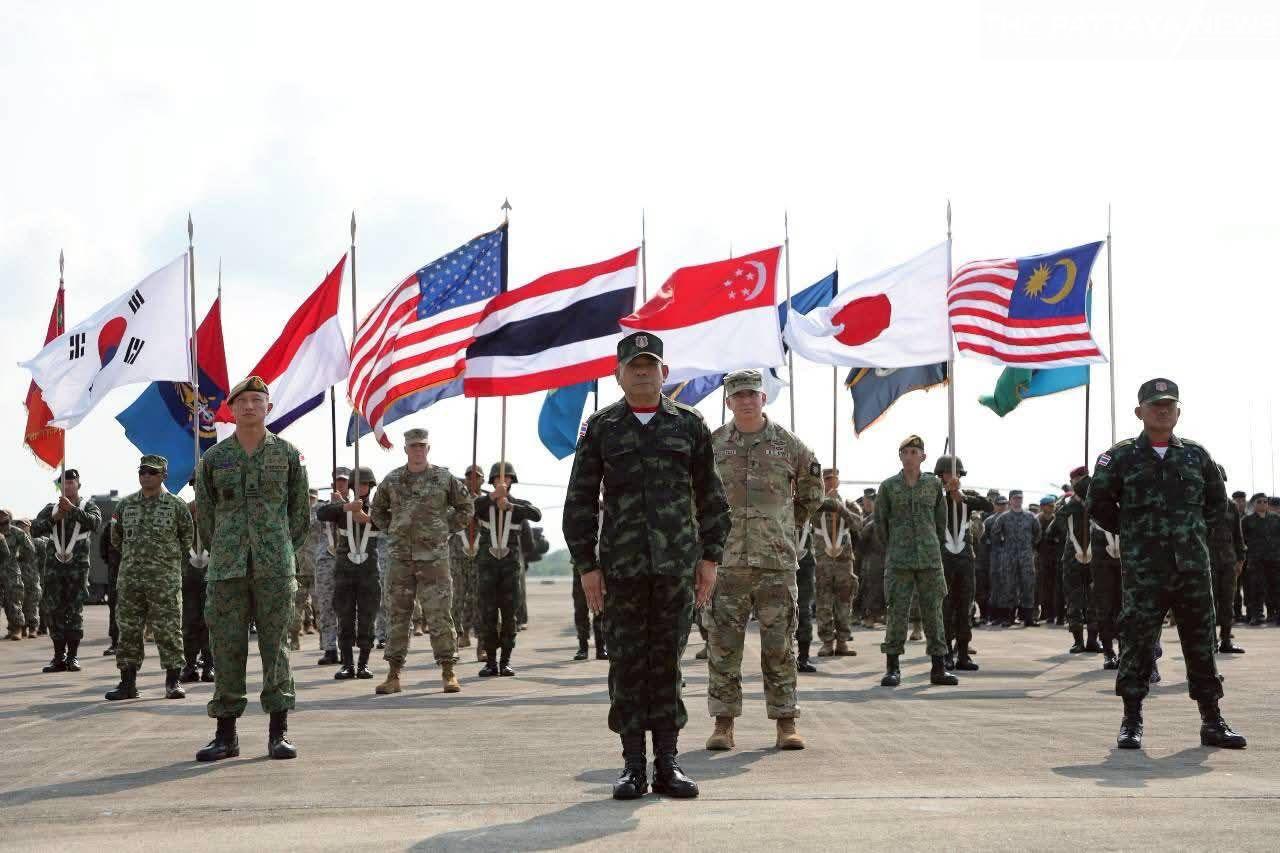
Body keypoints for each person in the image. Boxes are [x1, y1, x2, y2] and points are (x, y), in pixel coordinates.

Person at [564, 331, 729, 800]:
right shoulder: (602, 428)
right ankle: (633, 765)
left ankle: (668, 764)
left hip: (676, 567)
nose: (642, 372)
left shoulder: (690, 425)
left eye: (650, 365)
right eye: (633, 366)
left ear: (664, 373)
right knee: (628, 665)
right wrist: (587, 565)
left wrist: (710, 559)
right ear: (618, 375)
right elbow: (579, 500)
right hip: (621, 570)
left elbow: (712, 498)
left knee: (668, 664)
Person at [1088, 377, 1245, 750]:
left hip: (1192, 568)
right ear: (1139, 411)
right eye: (1155, 405)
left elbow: (1217, 505)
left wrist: (1192, 533)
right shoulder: (1120, 457)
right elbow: (1098, 504)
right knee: (1138, 642)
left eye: (1169, 405)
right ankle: (1131, 720)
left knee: (1200, 641)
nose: (1163, 411)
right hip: (1144, 571)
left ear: (1178, 411)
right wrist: (1135, 534)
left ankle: (1212, 720)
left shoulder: (1196, 455)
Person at [194, 375, 310, 762]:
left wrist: (279, 549)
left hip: (275, 568)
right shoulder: (214, 459)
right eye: (241, 401)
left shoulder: (288, 455)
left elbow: (300, 515)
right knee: (226, 648)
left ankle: (278, 733)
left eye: (256, 400)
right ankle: (225, 736)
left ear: (268, 408)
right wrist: (226, 549)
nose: (249, 406)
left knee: (276, 648)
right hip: (227, 569)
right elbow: (206, 517)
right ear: (230, 409)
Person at [705, 370, 822, 752]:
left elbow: (812, 490)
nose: (746, 401)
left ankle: (786, 722)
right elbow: (696, 496)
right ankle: (724, 724)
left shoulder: (788, 444)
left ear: (763, 398)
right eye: (738, 395)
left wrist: (787, 525)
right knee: (723, 647)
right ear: (728, 402)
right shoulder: (713, 445)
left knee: (779, 645)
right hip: (727, 562)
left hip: (775, 562)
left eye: (752, 394)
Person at [369, 428, 470, 695]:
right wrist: (392, 530)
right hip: (400, 559)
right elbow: (376, 510)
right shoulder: (392, 480)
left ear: (428, 448)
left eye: (421, 446)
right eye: (413, 446)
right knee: (397, 615)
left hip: (434, 559)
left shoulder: (444, 478)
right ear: (405, 449)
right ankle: (393, 675)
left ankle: (448, 671)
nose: (417, 450)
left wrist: (444, 529)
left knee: (439, 614)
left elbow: (466, 507)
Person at [105, 454, 194, 701]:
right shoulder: (126, 505)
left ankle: (173, 682)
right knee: (128, 631)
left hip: (164, 581)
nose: (146, 476)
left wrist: (166, 563)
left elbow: (186, 539)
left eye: (152, 472)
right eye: (142, 471)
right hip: (131, 580)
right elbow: (116, 538)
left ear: (164, 475)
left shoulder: (176, 506)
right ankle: (127, 683)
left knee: (169, 630)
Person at [876, 435, 957, 688]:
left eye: (914, 452)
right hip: (899, 560)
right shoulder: (888, 487)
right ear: (900, 457)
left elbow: (941, 520)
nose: (910, 456)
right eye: (905, 452)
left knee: (934, 612)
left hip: (929, 558)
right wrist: (894, 547)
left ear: (923, 456)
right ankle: (893, 668)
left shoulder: (933, 485)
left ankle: (939, 667)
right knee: (897, 612)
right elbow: (880, 523)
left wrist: (931, 543)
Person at [474, 462, 541, 676]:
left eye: (507, 478)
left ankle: (505, 661)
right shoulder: (483, 504)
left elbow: (536, 514)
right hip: (487, 567)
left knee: (510, 615)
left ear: (512, 481)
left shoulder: (518, 505)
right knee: (488, 615)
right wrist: (493, 497)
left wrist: (511, 507)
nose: (502, 481)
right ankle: (490, 662)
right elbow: (470, 509)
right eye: (498, 478)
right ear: (492, 481)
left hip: (510, 568)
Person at [317, 467, 382, 681]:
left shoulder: (378, 508)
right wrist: (345, 506)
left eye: (365, 484)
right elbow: (321, 514)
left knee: (367, 617)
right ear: (352, 486)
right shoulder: (343, 507)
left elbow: (391, 522)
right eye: (357, 484)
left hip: (369, 571)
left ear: (370, 486)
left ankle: (363, 664)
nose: (361, 487)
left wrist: (366, 519)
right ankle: (347, 664)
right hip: (344, 571)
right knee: (344, 617)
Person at [33, 468, 101, 673]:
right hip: (54, 569)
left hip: (77, 568)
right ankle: (58, 657)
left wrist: (72, 510)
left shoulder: (88, 506)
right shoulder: (51, 508)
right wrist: (55, 517)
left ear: (78, 485)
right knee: (54, 611)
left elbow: (95, 523)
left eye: (71, 482)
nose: (68, 486)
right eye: (64, 483)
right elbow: (34, 529)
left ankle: (73, 656)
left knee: (74, 611)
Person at [934, 456, 992, 672]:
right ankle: (946, 653)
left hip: (965, 558)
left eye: (956, 473)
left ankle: (963, 653)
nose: (953, 476)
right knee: (946, 607)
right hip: (944, 558)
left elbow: (988, 505)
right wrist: (947, 494)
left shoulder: (968, 496)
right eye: (949, 473)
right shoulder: (935, 496)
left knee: (965, 606)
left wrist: (962, 497)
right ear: (941, 475)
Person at [812, 468, 861, 660]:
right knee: (823, 602)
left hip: (843, 561)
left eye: (833, 479)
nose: (830, 483)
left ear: (838, 482)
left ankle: (842, 641)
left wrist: (841, 509)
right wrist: (823, 503)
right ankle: (826, 642)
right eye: (826, 479)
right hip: (822, 560)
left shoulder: (848, 504)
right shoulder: (815, 503)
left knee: (844, 601)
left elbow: (858, 525)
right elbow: (802, 518)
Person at [990, 490, 1042, 627]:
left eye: (1020, 498)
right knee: (1009, 586)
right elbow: (995, 534)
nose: (1018, 500)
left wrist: (1031, 546)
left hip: (1026, 557)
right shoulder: (1003, 517)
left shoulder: (1030, 517)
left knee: (1028, 585)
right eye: (1015, 498)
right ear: (1010, 500)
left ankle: (1028, 618)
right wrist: (1003, 546)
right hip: (1009, 557)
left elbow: (1038, 533)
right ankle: (1009, 617)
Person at [1209, 467, 1246, 653]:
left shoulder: (1231, 506)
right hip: (1207, 562)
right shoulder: (1201, 504)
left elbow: (1238, 535)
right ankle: (1210, 642)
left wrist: (1240, 559)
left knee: (1227, 602)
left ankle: (1226, 641)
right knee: (1208, 603)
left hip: (1228, 562)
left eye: (1221, 480)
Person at [448, 464, 485, 652]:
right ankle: (456, 637)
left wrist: (477, 503)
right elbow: (448, 518)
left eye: (476, 477)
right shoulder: (456, 500)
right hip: (458, 554)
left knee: (478, 598)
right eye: (469, 477)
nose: (472, 480)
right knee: (458, 598)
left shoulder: (487, 502)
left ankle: (480, 641)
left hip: (479, 555)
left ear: (482, 480)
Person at [314, 468, 348, 665]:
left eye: (344, 481)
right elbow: (318, 517)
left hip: (348, 559)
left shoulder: (355, 506)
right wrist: (334, 505)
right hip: (326, 560)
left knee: (347, 607)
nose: (340, 484)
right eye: (338, 481)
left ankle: (346, 647)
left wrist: (343, 505)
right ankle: (329, 647)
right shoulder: (321, 506)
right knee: (326, 604)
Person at [180, 492, 214, 684]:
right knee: (189, 624)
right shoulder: (185, 518)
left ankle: (210, 665)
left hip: (212, 577)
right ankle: (190, 666)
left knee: (210, 623)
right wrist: (189, 510)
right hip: (188, 578)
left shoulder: (216, 515)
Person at [1240, 492, 1280, 626]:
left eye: (1265, 501)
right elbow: (1241, 539)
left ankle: (1274, 614)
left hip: (1274, 559)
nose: (1263, 504)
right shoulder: (1247, 520)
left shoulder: (1276, 518)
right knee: (1257, 588)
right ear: (1254, 504)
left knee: (1275, 587)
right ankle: (1257, 615)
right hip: (1256, 560)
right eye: (1259, 502)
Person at [289, 489, 321, 652]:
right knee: (297, 607)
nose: (310, 501)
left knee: (320, 606)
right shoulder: (298, 516)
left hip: (314, 568)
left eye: (312, 499)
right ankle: (295, 639)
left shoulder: (315, 516)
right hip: (301, 569)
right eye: (309, 498)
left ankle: (325, 640)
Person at [1089, 519, 1123, 669]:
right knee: (1104, 606)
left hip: (1125, 550)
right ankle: (1108, 652)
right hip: (1101, 552)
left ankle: (1124, 651)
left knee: (1124, 606)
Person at [855, 488, 885, 628]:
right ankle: (868, 615)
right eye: (867, 500)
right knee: (868, 588)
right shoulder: (867, 519)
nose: (869, 503)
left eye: (872, 500)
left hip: (880, 557)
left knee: (878, 588)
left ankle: (877, 614)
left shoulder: (881, 517)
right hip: (869, 558)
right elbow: (860, 538)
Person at [980, 495, 1008, 624]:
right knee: (995, 587)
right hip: (994, 558)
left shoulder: (1012, 519)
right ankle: (994, 615)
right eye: (1000, 504)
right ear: (995, 506)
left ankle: (1007, 616)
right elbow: (983, 540)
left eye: (1004, 504)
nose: (1002, 507)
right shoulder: (989, 521)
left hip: (1010, 558)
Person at [11, 519, 41, 638]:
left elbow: (44, 561)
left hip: (32, 577)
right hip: (17, 577)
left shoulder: (37, 542)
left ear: (29, 527)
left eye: (24, 526)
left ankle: (33, 628)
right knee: (17, 602)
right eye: (19, 526)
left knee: (32, 603)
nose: (21, 528)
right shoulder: (14, 542)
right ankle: (19, 628)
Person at [1036, 496, 1061, 625]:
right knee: (1043, 586)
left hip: (1056, 556)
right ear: (1042, 506)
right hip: (1041, 557)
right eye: (1049, 505)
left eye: (1053, 505)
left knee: (1056, 587)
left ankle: (1054, 613)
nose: (1052, 507)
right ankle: (1045, 612)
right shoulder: (1036, 520)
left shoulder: (1057, 519)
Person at [0, 511, 22, 641]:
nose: (2, 525)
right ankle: (11, 628)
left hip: (11, 572)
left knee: (13, 600)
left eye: (5, 522)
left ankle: (17, 628)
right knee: (5, 602)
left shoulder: (17, 533)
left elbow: (30, 550)